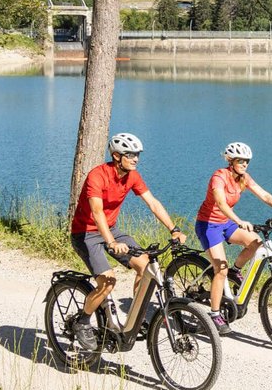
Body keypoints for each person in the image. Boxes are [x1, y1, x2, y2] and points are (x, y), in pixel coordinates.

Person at [70, 132, 186, 350]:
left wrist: (174, 228)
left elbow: (152, 202)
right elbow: (97, 212)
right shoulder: (97, 176)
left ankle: (134, 319)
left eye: (137, 155)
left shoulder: (132, 176)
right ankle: (83, 321)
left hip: (111, 230)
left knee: (146, 268)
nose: (136, 159)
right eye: (130, 154)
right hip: (86, 233)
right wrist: (111, 242)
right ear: (116, 156)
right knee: (108, 281)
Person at [195, 141, 272, 335]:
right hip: (209, 224)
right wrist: (240, 221)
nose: (244, 164)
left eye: (247, 161)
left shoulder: (243, 178)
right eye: (241, 161)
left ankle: (236, 270)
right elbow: (221, 203)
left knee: (256, 242)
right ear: (230, 160)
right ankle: (214, 315)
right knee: (220, 268)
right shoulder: (219, 177)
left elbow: (263, 194)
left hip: (227, 222)